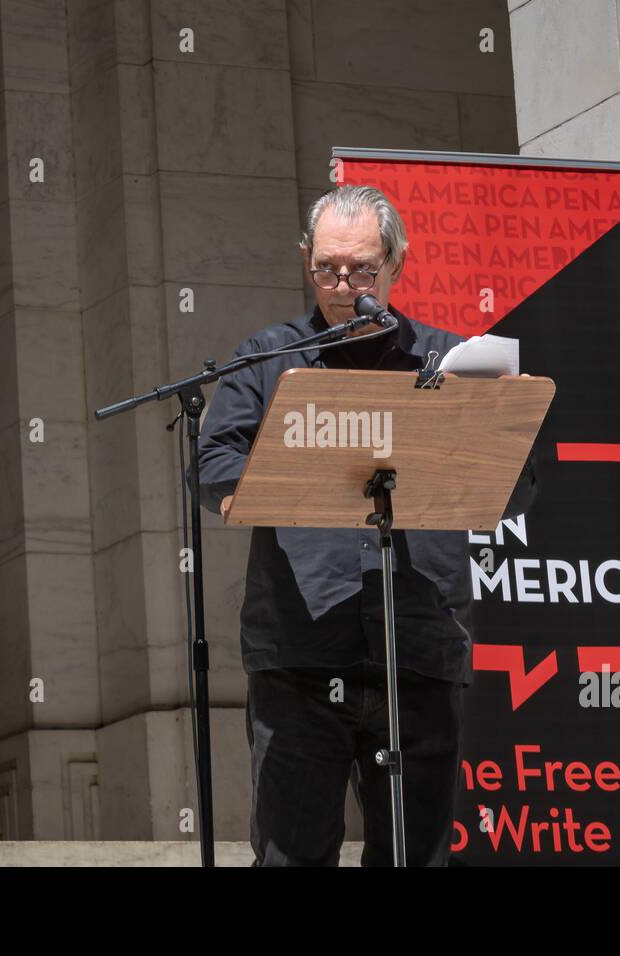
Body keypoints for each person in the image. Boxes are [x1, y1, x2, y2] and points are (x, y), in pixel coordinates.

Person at [191, 184, 537, 866]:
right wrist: (292, 466)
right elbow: (211, 466)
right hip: (300, 649)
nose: (343, 286)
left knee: (417, 856)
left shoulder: (446, 361)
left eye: (361, 270)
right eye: (326, 268)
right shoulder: (268, 359)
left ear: (396, 265)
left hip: (417, 648)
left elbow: (516, 492)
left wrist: (492, 427)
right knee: (291, 855)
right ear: (306, 263)